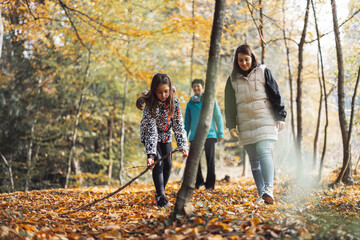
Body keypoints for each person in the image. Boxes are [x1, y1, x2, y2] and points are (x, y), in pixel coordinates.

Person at [224, 44, 286, 204]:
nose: (244, 63)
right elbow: (229, 104)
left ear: (252, 58)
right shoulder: (232, 79)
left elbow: (276, 94)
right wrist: (231, 125)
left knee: (264, 150)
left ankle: (269, 189)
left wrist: (280, 116)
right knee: (253, 159)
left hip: (265, 120)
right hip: (245, 124)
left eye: (246, 59)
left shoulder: (263, 71)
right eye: (240, 60)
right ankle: (263, 195)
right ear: (236, 61)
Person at [136, 73, 189, 208]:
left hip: (166, 135)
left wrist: (183, 145)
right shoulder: (150, 105)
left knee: (168, 165)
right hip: (150, 135)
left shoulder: (174, 103)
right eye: (159, 92)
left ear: (170, 89)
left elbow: (178, 125)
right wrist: (151, 155)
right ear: (154, 91)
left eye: (166, 91)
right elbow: (151, 131)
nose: (163, 95)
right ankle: (160, 196)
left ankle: (161, 193)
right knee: (158, 163)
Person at [185, 79, 224, 191]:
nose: (196, 88)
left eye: (198, 86)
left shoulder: (210, 100)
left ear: (202, 87)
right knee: (194, 160)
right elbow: (187, 122)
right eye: (194, 86)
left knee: (210, 160)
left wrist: (220, 132)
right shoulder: (190, 104)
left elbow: (218, 116)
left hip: (209, 134)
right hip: (195, 136)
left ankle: (210, 184)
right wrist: (183, 138)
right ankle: (199, 181)